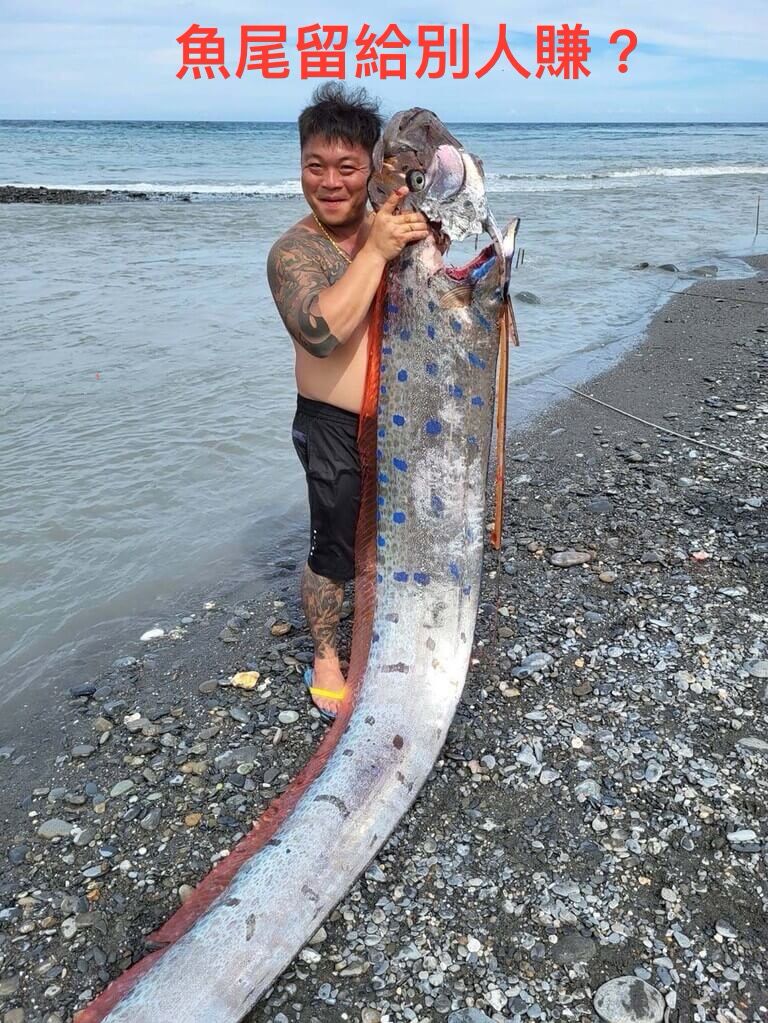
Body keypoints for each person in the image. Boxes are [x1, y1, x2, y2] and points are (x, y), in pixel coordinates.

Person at [267, 83, 429, 720]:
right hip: (330, 421)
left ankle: (393, 624)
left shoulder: (394, 226)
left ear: (371, 169)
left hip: (403, 414)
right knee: (333, 546)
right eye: (315, 166)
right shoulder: (293, 252)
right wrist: (378, 251)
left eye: (347, 167)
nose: (330, 182)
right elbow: (321, 331)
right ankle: (327, 652)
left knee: (403, 534)